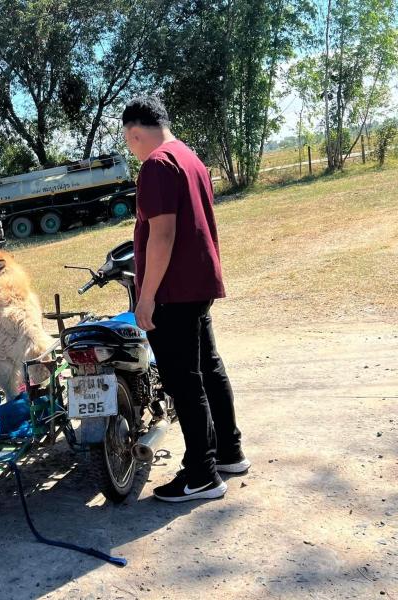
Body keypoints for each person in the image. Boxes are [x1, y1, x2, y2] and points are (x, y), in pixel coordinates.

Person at [122, 95, 249, 503]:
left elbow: (162, 235)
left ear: (134, 133)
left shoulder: (157, 164)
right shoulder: (190, 158)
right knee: (208, 368)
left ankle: (202, 475)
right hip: (199, 283)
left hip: (174, 290)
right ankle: (229, 452)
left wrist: (145, 297)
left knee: (184, 379)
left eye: (128, 141)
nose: (131, 149)